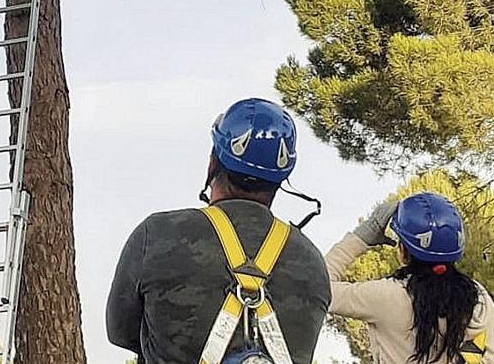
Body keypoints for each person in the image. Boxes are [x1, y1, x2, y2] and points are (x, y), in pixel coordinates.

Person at [107, 98, 331, 364]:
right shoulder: (312, 263)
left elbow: (120, 332)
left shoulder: (157, 235)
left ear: (213, 163)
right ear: (281, 179)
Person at [327, 193, 494, 364]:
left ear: (403, 251)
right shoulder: (490, 306)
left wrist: (360, 239)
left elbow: (315, 288)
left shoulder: (386, 297)